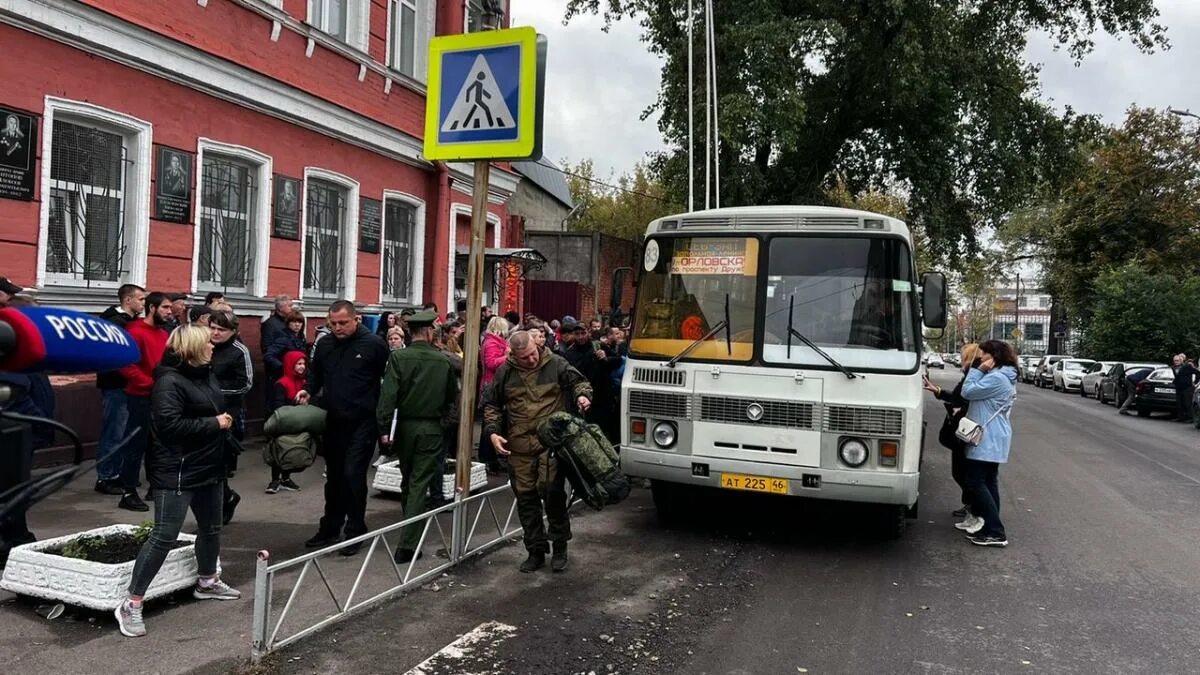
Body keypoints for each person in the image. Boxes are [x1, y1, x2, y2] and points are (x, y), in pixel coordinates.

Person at [114, 326, 240, 638]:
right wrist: (214, 423)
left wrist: (222, 423)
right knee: (164, 535)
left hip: (210, 466)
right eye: (207, 343)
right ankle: (131, 603)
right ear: (193, 348)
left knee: (211, 528)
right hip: (178, 470)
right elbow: (169, 426)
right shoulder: (168, 381)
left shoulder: (205, 373)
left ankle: (207, 581)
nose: (213, 346)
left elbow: (213, 407)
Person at [484, 331, 592, 573]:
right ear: (513, 355)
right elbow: (491, 403)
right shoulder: (506, 372)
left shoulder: (556, 363)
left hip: (550, 444)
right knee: (526, 499)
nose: (531, 360)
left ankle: (560, 545)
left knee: (552, 492)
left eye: (533, 354)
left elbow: (579, 382)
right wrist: (492, 431)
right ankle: (535, 550)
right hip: (519, 446)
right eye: (525, 358)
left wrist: (583, 396)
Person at [295, 301, 389, 555]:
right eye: (332, 323)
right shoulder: (324, 344)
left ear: (356, 319)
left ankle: (356, 529)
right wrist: (308, 391)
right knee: (334, 476)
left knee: (353, 475)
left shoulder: (374, 344)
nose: (337, 328)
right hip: (333, 418)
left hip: (363, 420)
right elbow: (316, 374)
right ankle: (330, 527)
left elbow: (388, 380)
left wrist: (385, 420)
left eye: (342, 323)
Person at [376, 312, 458, 564]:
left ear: (410, 333)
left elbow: (388, 396)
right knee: (419, 483)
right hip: (431, 428)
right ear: (431, 332)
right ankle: (409, 544)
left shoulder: (399, 357)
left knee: (409, 480)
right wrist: (442, 422)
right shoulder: (443, 361)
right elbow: (449, 399)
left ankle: (409, 535)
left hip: (404, 429)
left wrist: (384, 428)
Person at [115, 292, 173, 512]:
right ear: (152, 308)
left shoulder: (163, 333)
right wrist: (150, 384)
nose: (170, 312)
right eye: (165, 308)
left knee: (157, 444)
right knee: (135, 445)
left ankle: (154, 487)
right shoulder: (135, 332)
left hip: (159, 395)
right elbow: (126, 365)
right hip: (139, 396)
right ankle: (128, 492)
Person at [958, 339, 1018, 548]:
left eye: (982, 354)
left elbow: (967, 392)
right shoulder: (1002, 377)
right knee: (989, 482)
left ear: (994, 357)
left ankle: (995, 530)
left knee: (975, 483)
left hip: (987, 438)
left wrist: (978, 370)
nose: (979, 358)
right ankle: (989, 526)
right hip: (992, 436)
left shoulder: (997, 379)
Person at [95, 284, 146, 495]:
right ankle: (106, 477)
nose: (143, 303)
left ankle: (118, 473)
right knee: (114, 431)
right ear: (128, 300)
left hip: (126, 385)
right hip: (116, 384)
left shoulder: (130, 322)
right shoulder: (115, 324)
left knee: (124, 431)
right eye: (141, 299)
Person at [923, 343, 980, 520]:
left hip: (965, 429)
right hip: (962, 428)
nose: (961, 358)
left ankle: (974, 507)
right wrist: (938, 391)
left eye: (963, 355)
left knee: (963, 471)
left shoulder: (972, 375)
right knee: (961, 470)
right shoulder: (970, 374)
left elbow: (962, 398)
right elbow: (958, 397)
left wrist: (956, 408)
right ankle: (970, 504)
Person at [208, 311, 252, 523]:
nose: (215, 333)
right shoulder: (204, 345)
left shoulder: (238, 351)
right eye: (213, 327)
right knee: (205, 461)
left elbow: (245, 384)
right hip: (202, 410)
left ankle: (222, 500)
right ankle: (223, 498)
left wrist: (214, 391)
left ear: (233, 331)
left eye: (221, 329)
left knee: (219, 460)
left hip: (227, 412)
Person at [559, 318, 619, 443]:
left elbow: (618, 360)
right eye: (577, 334)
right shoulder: (569, 353)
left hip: (602, 396)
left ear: (588, 332)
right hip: (582, 397)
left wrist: (605, 358)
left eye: (583, 333)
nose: (580, 337)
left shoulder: (597, 346)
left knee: (603, 429)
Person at [430, 324, 465, 508]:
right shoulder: (445, 357)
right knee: (438, 456)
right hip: (446, 414)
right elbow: (464, 366)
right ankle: (436, 497)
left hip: (430, 414)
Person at [265, 350, 307, 494]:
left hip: (296, 423)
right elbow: (278, 406)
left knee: (291, 451)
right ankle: (275, 479)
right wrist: (296, 404)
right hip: (282, 424)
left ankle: (286, 478)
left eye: (303, 363)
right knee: (279, 451)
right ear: (290, 365)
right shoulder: (281, 384)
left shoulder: (304, 383)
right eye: (298, 364)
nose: (302, 367)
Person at [479, 316, 511, 473]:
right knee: (490, 424)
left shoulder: (492, 341)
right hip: (492, 385)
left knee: (493, 424)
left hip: (492, 384)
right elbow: (491, 363)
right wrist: (508, 356)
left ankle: (492, 459)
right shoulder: (492, 343)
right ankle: (489, 459)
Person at [260, 295, 295, 383]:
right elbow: (266, 347)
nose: (292, 309)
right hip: (277, 369)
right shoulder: (270, 324)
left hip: (290, 366)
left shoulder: (289, 322)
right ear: (280, 308)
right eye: (289, 306)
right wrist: (280, 365)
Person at [265, 311, 309, 377]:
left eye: (300, 322)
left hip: (299, 375)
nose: (297, 324)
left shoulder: (301, 338)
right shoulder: (283, 338)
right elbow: (268, 356)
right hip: (285, 376)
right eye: (294, 322)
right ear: (288, 323)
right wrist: (284, 367)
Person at [1170, 353, 1199, 423]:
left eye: (1177, 360)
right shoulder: (1173, 367)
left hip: (1187, 387)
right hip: (1179, 387)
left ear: (1181, 360)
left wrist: (1195, 382)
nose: (1175, 362)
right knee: (1179, 403)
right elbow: (1178, 376)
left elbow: (1198, 373)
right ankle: (1181, 417)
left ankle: (1190, 418)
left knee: (1187, 403)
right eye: (1174, 360)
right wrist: (1175, 382)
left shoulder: (1187, 366)